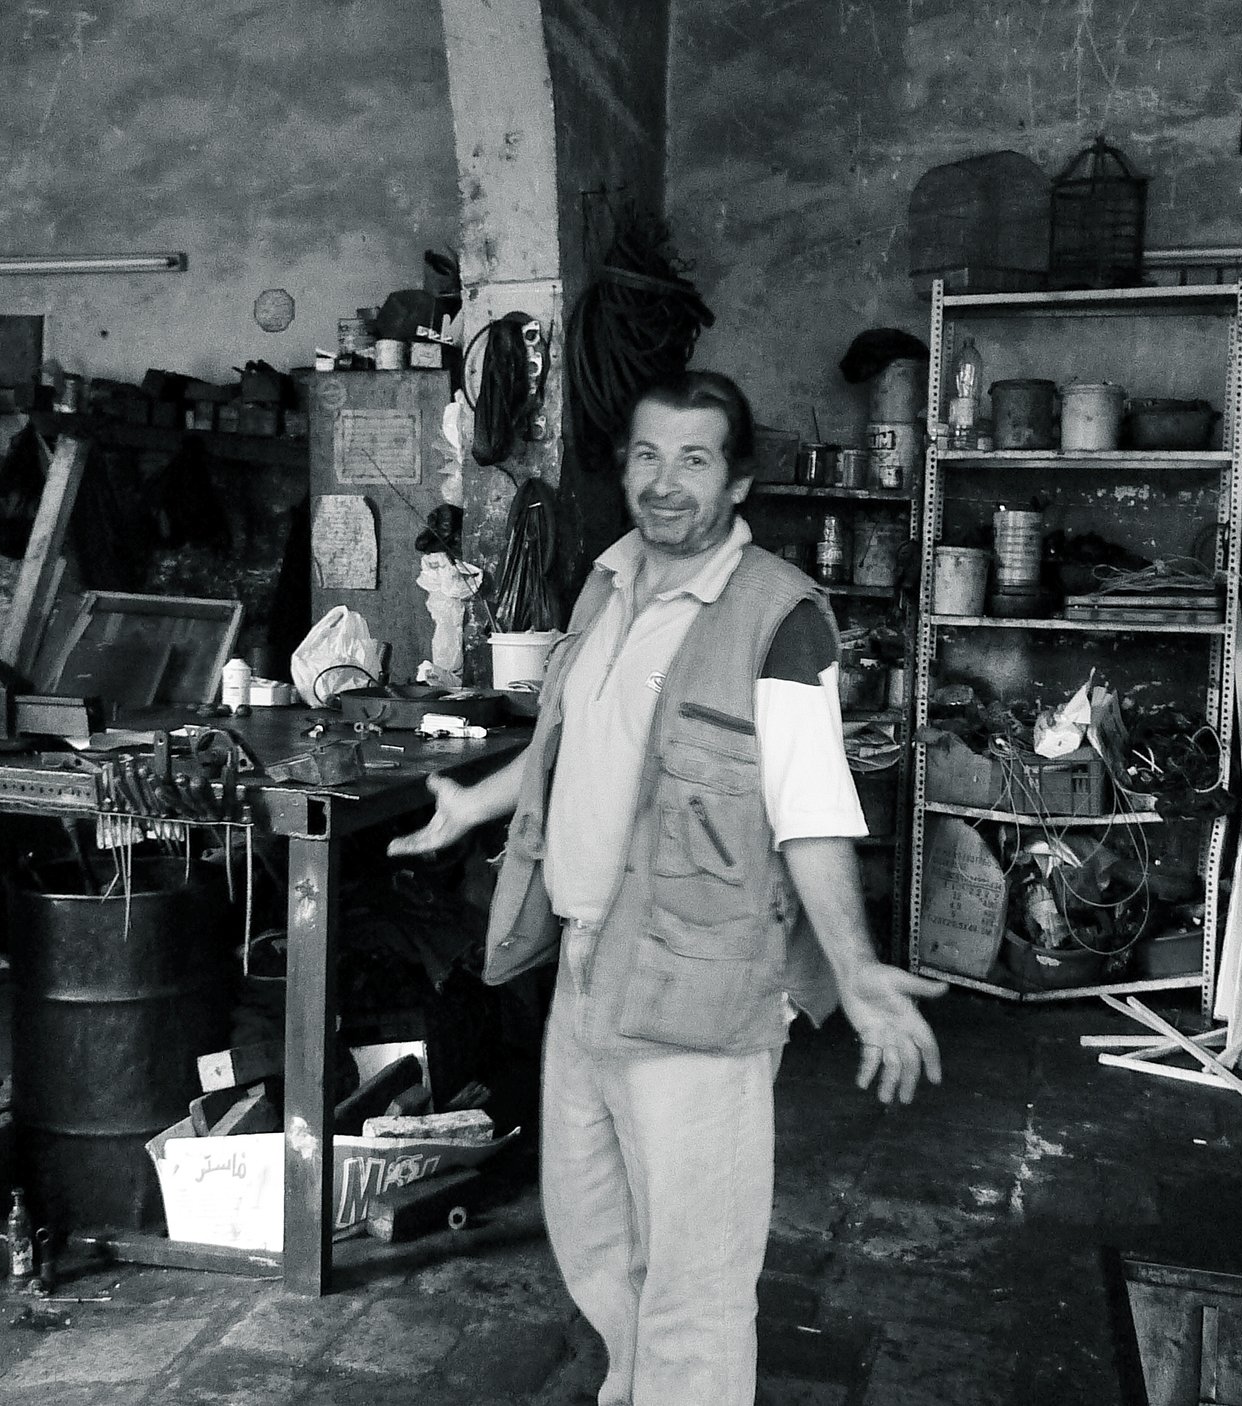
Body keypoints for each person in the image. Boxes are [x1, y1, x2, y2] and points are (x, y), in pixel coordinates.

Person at [390, 370, 943, 1405]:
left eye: (694, 458)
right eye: (647, 454)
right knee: (595, 1230)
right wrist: (476, 802)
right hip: (588, 960)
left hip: (700, 975)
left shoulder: (778, 616)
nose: (664, 480)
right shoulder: (607, 584)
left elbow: (812, 811)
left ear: (736, 482)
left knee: (696, 1271)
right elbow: (570, 737)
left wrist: (858, 970)